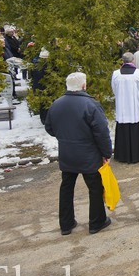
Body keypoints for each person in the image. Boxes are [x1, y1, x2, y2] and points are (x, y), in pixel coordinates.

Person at [45, 72, 113, 235]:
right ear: (83, 86)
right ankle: (96, 222)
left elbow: (49, 127)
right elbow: (101, 131)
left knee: (66, 188)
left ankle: (66, 224)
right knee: (95, 188)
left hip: (67, 153)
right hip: (88, 154)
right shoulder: (91, 104)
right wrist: (106, 152)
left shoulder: (56, 104)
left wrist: (65, 137)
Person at [111, 53, 139, 163]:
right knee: (137, 129)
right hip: (136, 107)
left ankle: (123, 155)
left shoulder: (116, 74)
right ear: (133, 60)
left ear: (122, 61)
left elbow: (114, 89)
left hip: (123, 107)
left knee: (124, 129)